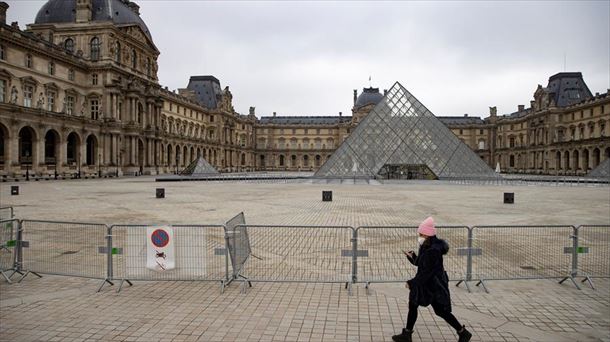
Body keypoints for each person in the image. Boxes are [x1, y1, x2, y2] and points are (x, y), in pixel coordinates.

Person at [392, 217, 472, 342]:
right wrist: (412, 256)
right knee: (413, 305)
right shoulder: (426, 245)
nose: (419, 235)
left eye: (421, 233)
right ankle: (407, 334)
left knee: (440, 311)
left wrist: (411, 283)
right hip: (426, 282)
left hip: (433, 285)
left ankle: (463, 332)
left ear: (427, 234)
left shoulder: (433, 250)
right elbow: (422, 264)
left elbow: (428, 272)